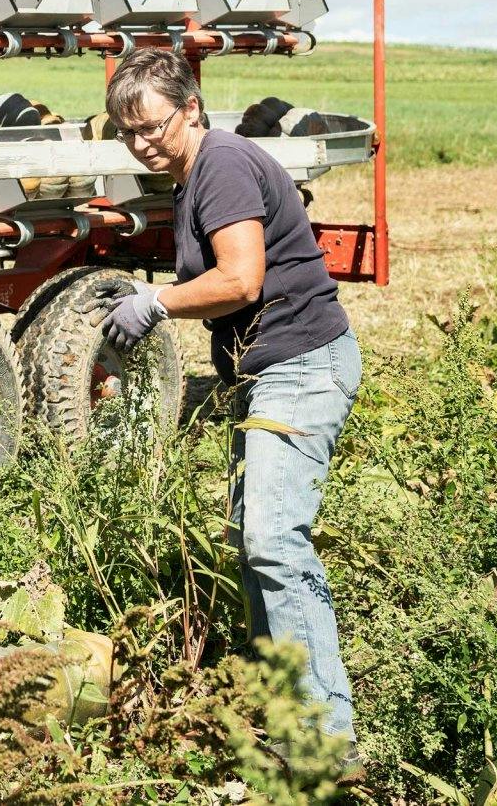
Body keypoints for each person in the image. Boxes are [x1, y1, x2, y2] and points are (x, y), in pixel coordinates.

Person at [87, 48, 361, 739]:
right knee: (254, 541)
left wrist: (158, 303)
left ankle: (328, 736)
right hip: (270, 370)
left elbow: (241, 279)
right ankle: (289, 715)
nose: (141, 141)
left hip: (299, 365)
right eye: (127, 131)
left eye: (151, 124)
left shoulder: (222, 164)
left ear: (190, 108)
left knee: (272, 540)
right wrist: (154, 293)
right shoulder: (193, 173)